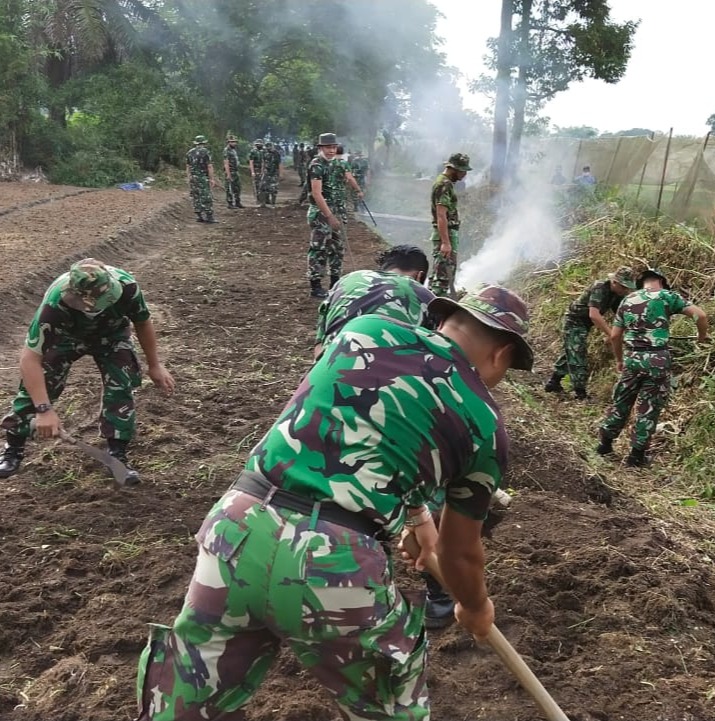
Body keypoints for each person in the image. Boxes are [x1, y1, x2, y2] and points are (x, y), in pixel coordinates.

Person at [134, 285, 534, 721]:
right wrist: (474, 606)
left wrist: (413, 514)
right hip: (334, 563)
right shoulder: (485, 425)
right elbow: (460, 553)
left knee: (188, 699)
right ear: (502, 353)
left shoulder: (364, 331)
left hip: (236, 528)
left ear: (444, 320)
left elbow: (361, 423)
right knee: (385, 706)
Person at [0, 259, 175, 485]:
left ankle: (117, 456)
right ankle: (12, 450)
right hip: (66, 337)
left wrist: (154, 365)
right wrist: (44, 410)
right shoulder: (54, 305)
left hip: (112, 336)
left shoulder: (128, 288)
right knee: (38, 386)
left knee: (121, 385)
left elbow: (143, 322)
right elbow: (29, 359)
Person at [596, 267, 708, 467]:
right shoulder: (667, 296)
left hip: (632, 358)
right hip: (657, 360)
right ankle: (636, 456)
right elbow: (700, 316)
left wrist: (620, 360)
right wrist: (701, 338)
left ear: (641, 283)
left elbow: (614, 336)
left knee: (622, 400)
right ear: (662, 282)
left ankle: (605, 443)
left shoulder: (627, 300)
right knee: (649, 406)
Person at [313, 244, 433, 359]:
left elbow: (319, 345)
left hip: (326, 373)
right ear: (420, 276)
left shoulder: (347, 280)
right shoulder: (425, 295)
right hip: (387, 375)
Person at [545, 265, 636, 400]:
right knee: (578, 353)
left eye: (627, 287)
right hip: (574, 320)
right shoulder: (600, 287)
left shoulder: (616, 295)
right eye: (623, 286)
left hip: (585, 324)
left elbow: (621, 315)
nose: (625, 290)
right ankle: (580, 392)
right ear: (614, 282)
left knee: (570, 352)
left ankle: (553, 382)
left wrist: (632, 329)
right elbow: (594, 315)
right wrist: (610, 334)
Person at [307, 132, 363, 299]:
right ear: (321, 148)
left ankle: (335, 283)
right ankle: (316, 286)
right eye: (327, 147)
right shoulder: (317, 165)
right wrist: (329, 216)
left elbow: (349, 177)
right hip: (321, 214)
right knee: (319, 249)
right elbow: (317, 194)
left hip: (339, 211)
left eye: (333, 147)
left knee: (338, 249)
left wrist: (357, 190)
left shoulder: (338, 164)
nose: (331, 150)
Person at [427, 152, 471, 298]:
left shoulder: (446, 183)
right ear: (453, 168)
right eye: (462, 170)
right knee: (443, 275)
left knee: (442, 273)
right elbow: (441, 215)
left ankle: (434, 301)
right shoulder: (444, 185)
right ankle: (436, 307)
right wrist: (445, 243)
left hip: (448, 233)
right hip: (445, 234)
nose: (464, 174)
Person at [185, 135, 217, 223]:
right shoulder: (206, 152)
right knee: (206, 195)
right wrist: (212, 179)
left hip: (193, 177)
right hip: (203, 177)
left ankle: (199, 216)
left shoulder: (189, 152)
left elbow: (188, 166)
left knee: (196, 196)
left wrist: (189, 177)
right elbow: (209, 166)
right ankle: (209, 216)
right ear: (204, 143)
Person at [258, 140, 283, 207]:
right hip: (266, 173)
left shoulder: (276, 153)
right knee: (262, 187)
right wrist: (262, 171)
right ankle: (263, 203)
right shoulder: (264, 153)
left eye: (270, 147)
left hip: (274, 173)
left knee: (273, 189)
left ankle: (273, 203)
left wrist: (280, 174)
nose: (269, 149)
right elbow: (263, 162)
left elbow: (280, 164)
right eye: (267, 147)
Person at [222, 135, 244, 209]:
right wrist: (228, 174)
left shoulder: (233, 150)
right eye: (232, 142)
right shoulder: (226, 150)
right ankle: (230, 203)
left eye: (235, 142)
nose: (234, 143)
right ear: (228, 142)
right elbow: (226, 163)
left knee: (237, 187)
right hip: (230, 171)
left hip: (235, 171)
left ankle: (237, 202)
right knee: (229, 188)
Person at [248, 138, 265, 205]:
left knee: (264, 185)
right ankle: (258, 199)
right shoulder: (253, 152)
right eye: (258, 144)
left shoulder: (264, 151)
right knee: (256, 185)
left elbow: (264, 161)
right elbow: (251, 162)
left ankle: (264, 199)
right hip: (256, 169)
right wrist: (252, 172)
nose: (259, 145)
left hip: (263, 170)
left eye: (260, 144)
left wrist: (263, 170)